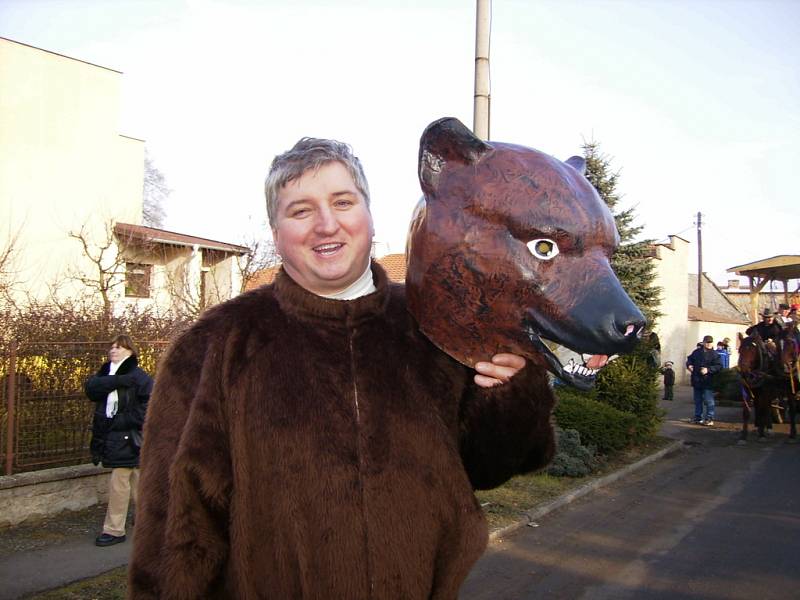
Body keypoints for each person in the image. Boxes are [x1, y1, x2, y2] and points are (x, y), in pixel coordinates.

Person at [129, 138, 555, 599]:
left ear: (369, 217)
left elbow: (489, 467)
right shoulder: (216, 345)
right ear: (276, 234)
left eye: (342, 202)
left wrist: (514, 390)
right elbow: (175, 526)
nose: (326, 224)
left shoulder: (438, 326)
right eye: (301, 211)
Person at [84, 334, 153, 547]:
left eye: (119, 348)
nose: (113, 351)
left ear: (131, 352)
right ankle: (148, 524)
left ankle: (114, 530)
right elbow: (92, 390)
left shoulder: (140, 377)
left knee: (122, 482)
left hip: (130, 437)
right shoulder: (106, 374)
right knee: (136, 482)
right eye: (112, 347)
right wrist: (117, 380)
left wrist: (120, 420)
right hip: (113, 436)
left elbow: (150, 406)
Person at [686, 335, 722, 426]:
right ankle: (698, 417)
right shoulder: (697, 352)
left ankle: (709, 418)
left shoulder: (715, 354)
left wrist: (708, 370)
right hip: (697, 380)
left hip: (708, 381)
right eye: (707, 342)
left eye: (710, 342)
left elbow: (719, 366)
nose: (709, 344)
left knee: (709, 400)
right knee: (697, 400)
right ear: (703, 342)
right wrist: (689, 365)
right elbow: (689, 359)